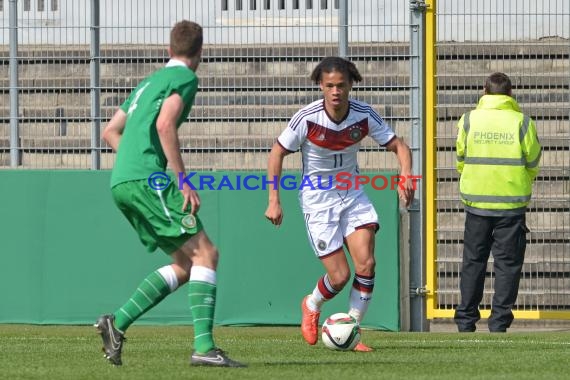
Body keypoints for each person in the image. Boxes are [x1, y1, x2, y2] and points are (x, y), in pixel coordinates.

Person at [95, 20, 245, 367]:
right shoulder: (185, 79)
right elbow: (165, 123)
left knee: (185, 263)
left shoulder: (148, 82)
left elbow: (110, 131)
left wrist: (133, 164)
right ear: (200, 52)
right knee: (207, 254)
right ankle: (205, 349)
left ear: (168, 50)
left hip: (123, 182)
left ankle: (115, 324)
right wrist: (182, 179)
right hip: (147, 181)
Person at [264, 56, 415, 351]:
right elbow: (277, 153)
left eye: (341, 85)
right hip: (318, 200)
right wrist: (273, 200)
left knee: (367, 263)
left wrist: (405, 175)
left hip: (352, 194)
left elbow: (399, 146)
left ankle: (353, 330)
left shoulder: (363, 114)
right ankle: (311, 303)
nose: (336, 91)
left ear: (350, 85)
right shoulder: (307, 118)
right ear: (321, 86)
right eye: (330, 85)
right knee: (340, 276)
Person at [454, 72, 542, 333]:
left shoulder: (469, 119)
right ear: (510, 94)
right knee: (507, 265)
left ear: (484, 91)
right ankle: (499, 324)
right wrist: (517, 180)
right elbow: (533, 161)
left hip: (476, 203)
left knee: (473, 261)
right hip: (511, 204)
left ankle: (466, 322)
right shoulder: (522, 122)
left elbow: (461, 156)